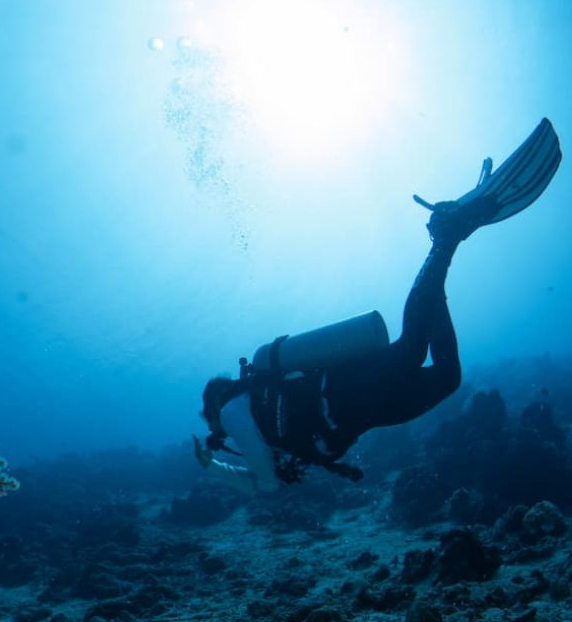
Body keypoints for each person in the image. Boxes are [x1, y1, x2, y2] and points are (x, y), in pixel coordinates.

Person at [195, 118, 563, 494]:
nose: (214, 430)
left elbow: (266, 484)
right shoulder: (254, 417)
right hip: (357, 414)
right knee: (446, 377)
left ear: (214, 406)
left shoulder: (231, 412)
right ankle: (442, 255)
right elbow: (263, 479)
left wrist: (218, 459)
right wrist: (214, 465)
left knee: (411, 350)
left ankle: (444, 238)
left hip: (344, 396)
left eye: (210, 422)